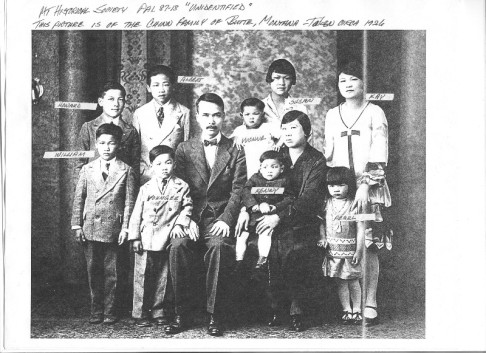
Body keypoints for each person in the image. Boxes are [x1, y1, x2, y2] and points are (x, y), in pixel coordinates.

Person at [237, 110, 327, 332]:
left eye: (293, 128)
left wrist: (279, 217)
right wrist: (246, 209)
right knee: (262, 245)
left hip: (301, 220)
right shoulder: (276, 155)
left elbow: (309, 199)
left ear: (307, 131)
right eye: (284, 129)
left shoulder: (316, 160)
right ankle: (274, 306)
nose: (287, 133)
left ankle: (296, 309)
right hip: (267, 216)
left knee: (291, 247)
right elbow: (254, 184)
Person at [166, 93, 247, 336]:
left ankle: (215, 315)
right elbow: (177, 187)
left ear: (223, 117)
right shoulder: (183, 148)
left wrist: (226, 219)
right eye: (206, 115)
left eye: (217, 115)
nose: (211, 120)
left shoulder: (235, 148)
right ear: (198, 117)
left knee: (219, 247)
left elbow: (239, 189)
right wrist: (185, 217)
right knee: (178, 246)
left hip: (219, 217)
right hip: (190, 215)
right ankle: (182, 313)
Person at [324, 61, 391, 326]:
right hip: (341, 189)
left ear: (364, 83)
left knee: (368, 244)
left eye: (354, 79)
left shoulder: (375, 111)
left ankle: (370, 301)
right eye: (343, 80)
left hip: (368, 188)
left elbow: (379, 150)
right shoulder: (332, 114)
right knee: (345, 244)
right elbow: (328, 153)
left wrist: (365, 184)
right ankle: (347, 302)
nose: (348, 85)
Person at [71, 123, 137, 324]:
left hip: (114, 229)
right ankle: (96, 310)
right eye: (102, 143)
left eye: (111, 143)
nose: (106, 147)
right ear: (96, 145)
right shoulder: (87, 169)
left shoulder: (127, 170)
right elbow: (79, 199)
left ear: (118, 145)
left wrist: (126, 227)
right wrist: (76, 225)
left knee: (113, 272)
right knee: (94, 271)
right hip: (90, 226)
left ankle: (110, 311)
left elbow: (129, 202)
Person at [128, 145, 194, 328]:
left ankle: (159, 312)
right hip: (146, 236)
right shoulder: (146, 187)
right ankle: (140, 313)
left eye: (168, 162)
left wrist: (181, 223)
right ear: (151, 166)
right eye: (159, 164)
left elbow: (188, 207)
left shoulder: (181, 186)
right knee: (142, 277)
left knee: (164, 278)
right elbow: (136, 213)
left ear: (174, 164)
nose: (164, 167)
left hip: (166, 237)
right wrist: (134, 237)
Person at [317, 167, 365, 325]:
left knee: (353, 281)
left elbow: (360, 228)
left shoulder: (354, 204)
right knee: (340, 281)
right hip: (334, 249)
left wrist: (359, 250)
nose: (336, 189)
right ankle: (346, 310)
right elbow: (322, 223)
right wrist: (323, 237)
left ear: (350, 185)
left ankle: (357, 309)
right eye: (331, 186)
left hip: (350, 250)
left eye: (340, 185)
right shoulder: (326, 202)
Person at [132, 65, 191, 185]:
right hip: (147, 174)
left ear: (173, 86)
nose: (161, 90)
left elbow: (187, 147)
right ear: (148, 88)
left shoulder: (184, 112)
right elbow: (134, 148)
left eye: (165, 84)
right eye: (156, 85)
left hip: (173, 175)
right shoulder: (140, 113)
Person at [237, 150, 294, 270]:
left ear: (281, 168)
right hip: (253, 215)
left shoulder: (284, 181)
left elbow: (289, 198)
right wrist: (253, 206)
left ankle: (262, 259)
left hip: (268, 217)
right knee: (242, 235)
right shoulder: (255, 179)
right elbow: (246, 191)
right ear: (260, 168)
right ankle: (239, 260)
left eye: (274, 167)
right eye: (265, 167)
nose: (269, 170)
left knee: (265, 233)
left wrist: (276, 207)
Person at [74, 81, 140, 182]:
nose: (116, 104)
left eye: (120, 99)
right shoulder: (88, 128)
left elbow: (135, 166)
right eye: (111, 99)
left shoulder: (131, 131)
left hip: (120, 189)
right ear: (101, 101)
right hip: (94, 188)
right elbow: (79, 164)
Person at [231, 98, 282, 177]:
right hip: (249, 167)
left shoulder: (268, 127)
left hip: (269, 167)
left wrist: (278, 144)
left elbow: (284, 134)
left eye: (255, 114)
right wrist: (235, 138)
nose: (251, 117)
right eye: (247, 114)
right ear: (242, 115)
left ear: (262, 114)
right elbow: (228, 143)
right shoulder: (239, 130)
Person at [262, 59, 308, 125]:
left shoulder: (300, 108)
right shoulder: (257, 107)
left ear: (292, 81)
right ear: (269, 79)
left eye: (287, 78)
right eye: (277, 78)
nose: (282, 83)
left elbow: (307, 134)